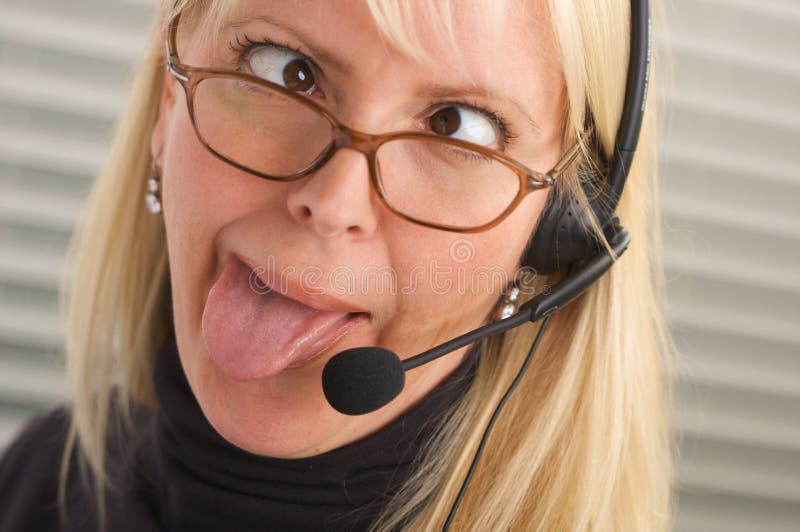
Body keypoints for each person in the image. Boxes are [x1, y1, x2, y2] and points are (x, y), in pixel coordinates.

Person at [0, 0, 672, 530]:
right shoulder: (34, 487)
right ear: (166, 99)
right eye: (284, 68)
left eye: (456, 126)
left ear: (556, 236)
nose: (332, 201)